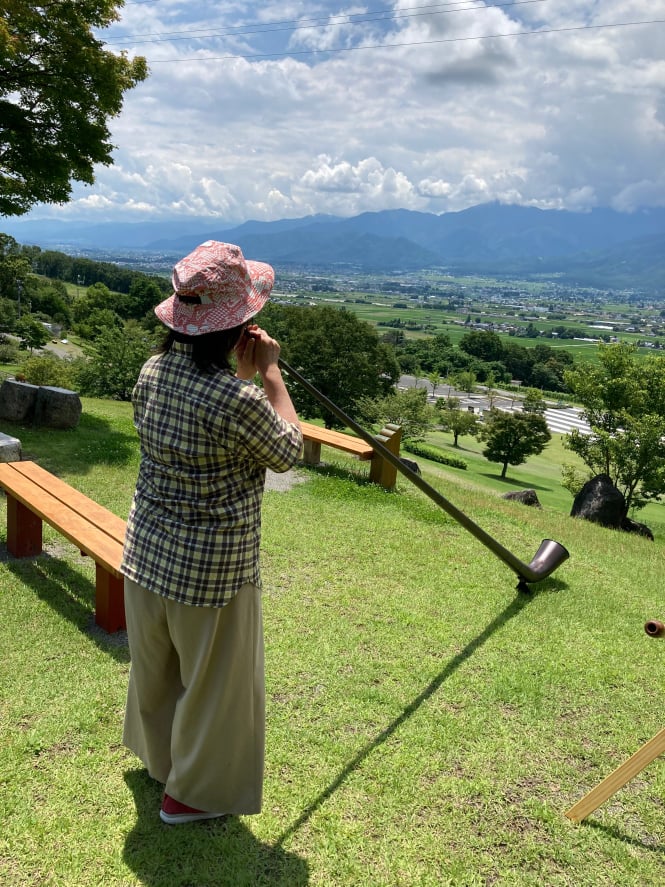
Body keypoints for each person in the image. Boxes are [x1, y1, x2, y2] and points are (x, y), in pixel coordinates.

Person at [120, 240, 302, 824]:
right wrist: (270, 375)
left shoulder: (151, 372)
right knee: (214, 685)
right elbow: (288, 451)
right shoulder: (237, 398)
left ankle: (160, 763)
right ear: (237, 326)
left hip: (147, 549)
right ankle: (191, 795)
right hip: (212, 568)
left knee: (157, 666)